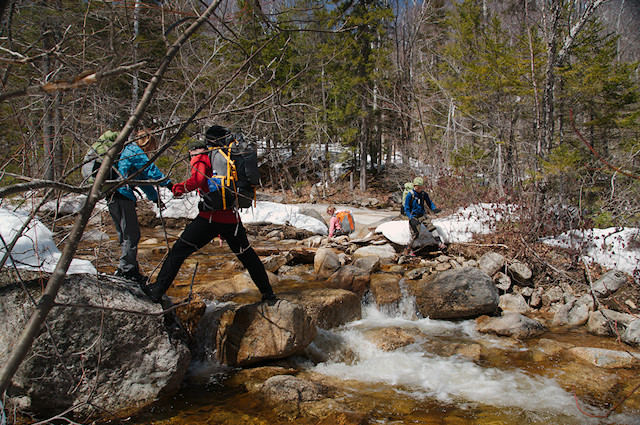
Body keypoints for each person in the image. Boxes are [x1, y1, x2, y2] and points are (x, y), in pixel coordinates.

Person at [141, 125, 277, 304]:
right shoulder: (230, 155)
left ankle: (156, 292)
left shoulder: (203, 156)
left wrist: (178, 189)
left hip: (209, 220)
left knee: (178, 253)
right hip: (232, 220)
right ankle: (268, 293)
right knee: (248, 256)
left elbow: (198, 180)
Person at [109, 129, 172, 284]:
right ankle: (126, 270)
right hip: (122, 196)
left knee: (124, 234)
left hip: (112, 196)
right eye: (153, 146)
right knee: (131, 234)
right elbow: (150, 169)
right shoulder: (134, 151)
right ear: (148, 143)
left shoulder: (127, 151)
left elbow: (142, 179)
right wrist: (168, 183)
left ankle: (129, 267)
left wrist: (155, 198)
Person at [403, 176, 446, 253]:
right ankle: (409, 249)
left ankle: (440, 243)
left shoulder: (423, 194)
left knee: (431, 227)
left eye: (421, 188)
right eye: (418, 188)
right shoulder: (410, 195)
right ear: (414, 186)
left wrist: (434, 209)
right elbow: (407, 208)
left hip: (422, 215)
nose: (419, 189)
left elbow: (429, 202)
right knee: (415, 233)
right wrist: (411, 218)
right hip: (414, 216)